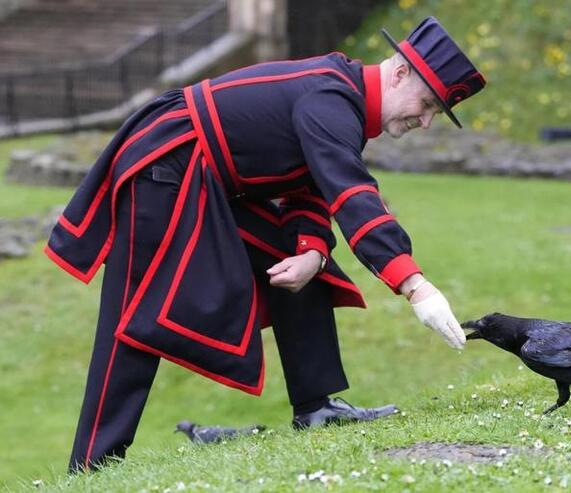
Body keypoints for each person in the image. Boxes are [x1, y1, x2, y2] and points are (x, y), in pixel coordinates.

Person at [46, 16, 486, 472]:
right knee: (136, 315)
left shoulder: (343, 98)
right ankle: (92, 467)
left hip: (205, 179)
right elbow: (353, 195)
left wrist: (312, 252)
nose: (427, 121)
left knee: (303, 258)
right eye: (428, 103)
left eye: (437, 111)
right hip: (162, 168)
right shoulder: (333, 98)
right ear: (398, 74)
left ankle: (316, 409)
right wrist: (415, 286)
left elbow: (309, 187)